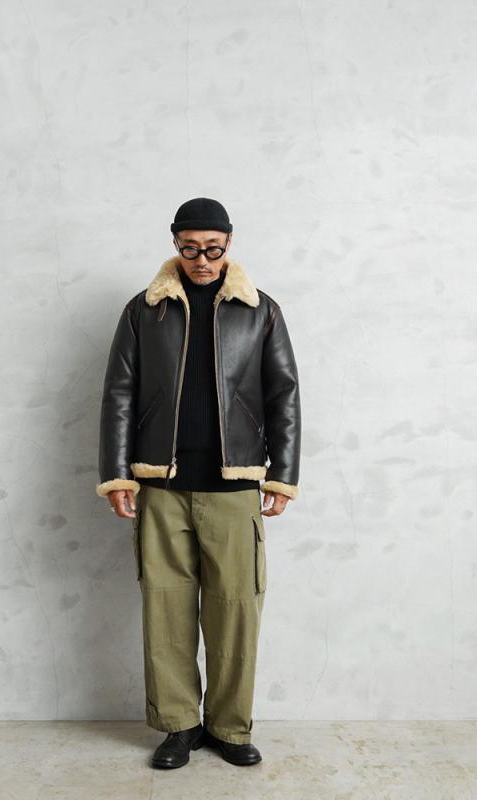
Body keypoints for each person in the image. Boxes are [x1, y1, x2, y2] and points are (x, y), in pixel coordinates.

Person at [96, 197, 301, 768]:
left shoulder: (260, 311)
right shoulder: (145, 310)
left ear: (228, 244)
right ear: (176, 245)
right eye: (190, 249)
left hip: (234, 488)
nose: (202, 260)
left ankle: (230, 727)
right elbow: (118, 394)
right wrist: (117, 474)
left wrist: (282, 476)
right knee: (166, 610)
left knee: (236, 610)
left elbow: (284, 394)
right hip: (161, 487)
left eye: (213, 248)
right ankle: (179, 726)